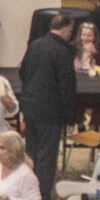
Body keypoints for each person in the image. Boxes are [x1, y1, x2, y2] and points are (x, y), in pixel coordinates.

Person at [18, 16, 80, 179]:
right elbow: (67, 87)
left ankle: (28, 189)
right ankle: (43, 198)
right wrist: (70, 118)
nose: (70, 34)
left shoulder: (35, 45)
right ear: (64, 29)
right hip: (51, 112)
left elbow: (22, 72)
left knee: (31, 152)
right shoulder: (63, 51)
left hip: (30, 107)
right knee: (47, 156)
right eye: (70, 31)